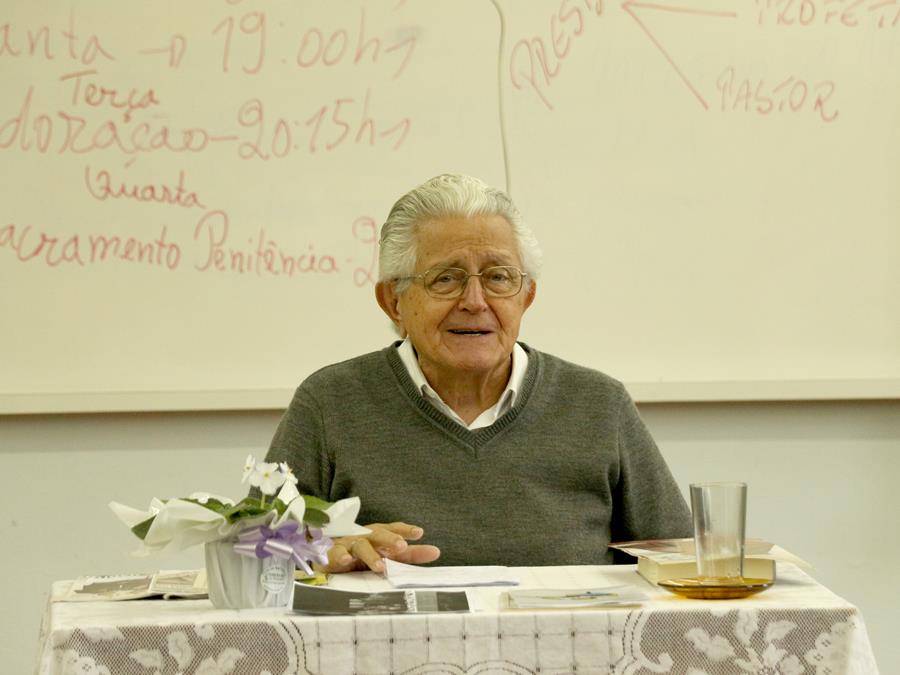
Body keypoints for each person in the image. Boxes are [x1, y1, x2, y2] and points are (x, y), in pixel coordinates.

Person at [264, 174, 691, 573]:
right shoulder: (330, 403)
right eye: (445, 279)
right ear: (393, 302)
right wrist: (322, 548)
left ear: (526, 297)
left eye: (498, 277)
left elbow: (681, 562)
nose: (474, 301)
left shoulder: (598, 405)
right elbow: (253, 553)